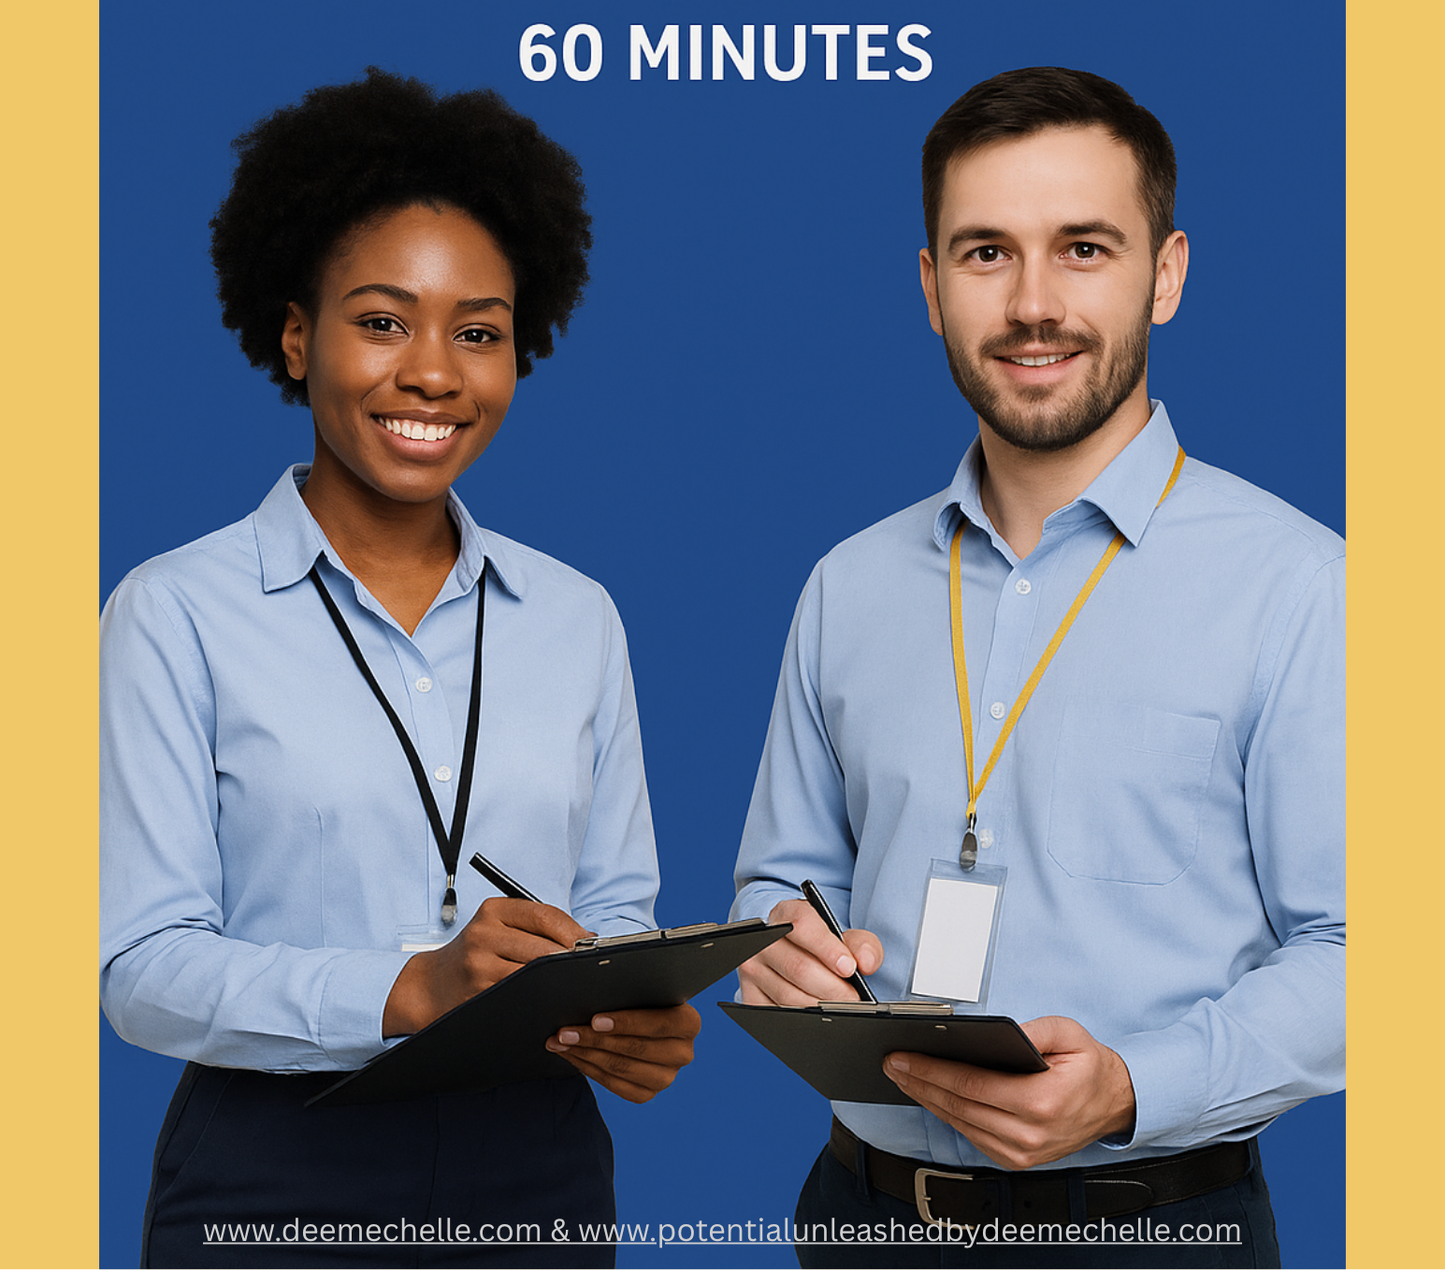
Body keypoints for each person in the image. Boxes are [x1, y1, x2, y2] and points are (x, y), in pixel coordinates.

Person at [732, 67, 1342, 1269]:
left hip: (1154, 1234)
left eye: (1081, 247)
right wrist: (776, 940)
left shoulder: (1303, 585)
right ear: (928, 286)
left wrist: (1129, 1086)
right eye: (982, 252)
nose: (1029, 302)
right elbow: (777, 882)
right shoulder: (843, 585)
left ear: (1163, 274)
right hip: (861, 1224)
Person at [101, 68, 699, 1269]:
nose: (433, 371)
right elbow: (140, 970)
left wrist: (633, 1014)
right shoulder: (176, 610)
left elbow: (620, 907)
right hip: (273, 1177)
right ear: (292, 333)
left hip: (540, 1169)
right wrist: (404, 992)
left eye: (477, 331)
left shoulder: (575, 617)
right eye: (382, 320)